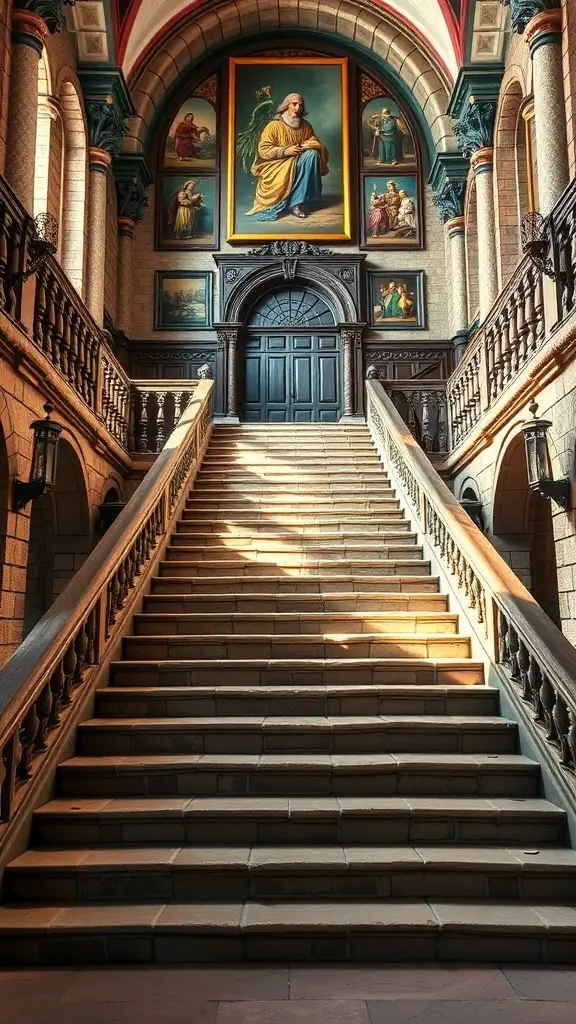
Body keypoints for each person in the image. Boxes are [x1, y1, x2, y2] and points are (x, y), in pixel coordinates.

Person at [245, 93, 329, 221]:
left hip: (298, 161)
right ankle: (288, 202)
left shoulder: (306, 126)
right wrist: (285, 151)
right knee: (307, 157)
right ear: (286, 105)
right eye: (294, 104)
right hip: (277, 164)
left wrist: (306, 145)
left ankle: (297, 202)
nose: (297, 108)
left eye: (300, 105)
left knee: (312, 155)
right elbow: (263, 150)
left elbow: (316, 143)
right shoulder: (274, 125)